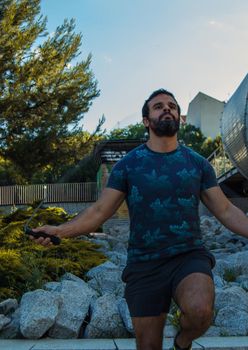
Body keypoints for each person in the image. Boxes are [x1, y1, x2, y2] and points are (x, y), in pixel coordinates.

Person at [31, 89, 248, 350]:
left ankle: (182, 341)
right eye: (158, 106)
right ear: (146, 120)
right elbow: (100, 211)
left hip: (188, 255)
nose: (167, 109)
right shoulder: (128, 165)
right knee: (148, 346)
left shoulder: (199, 164)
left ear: (179, 117)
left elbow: (225, 210)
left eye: (172, 106)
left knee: (201, 310)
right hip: (144, 263)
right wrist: (59, 231)